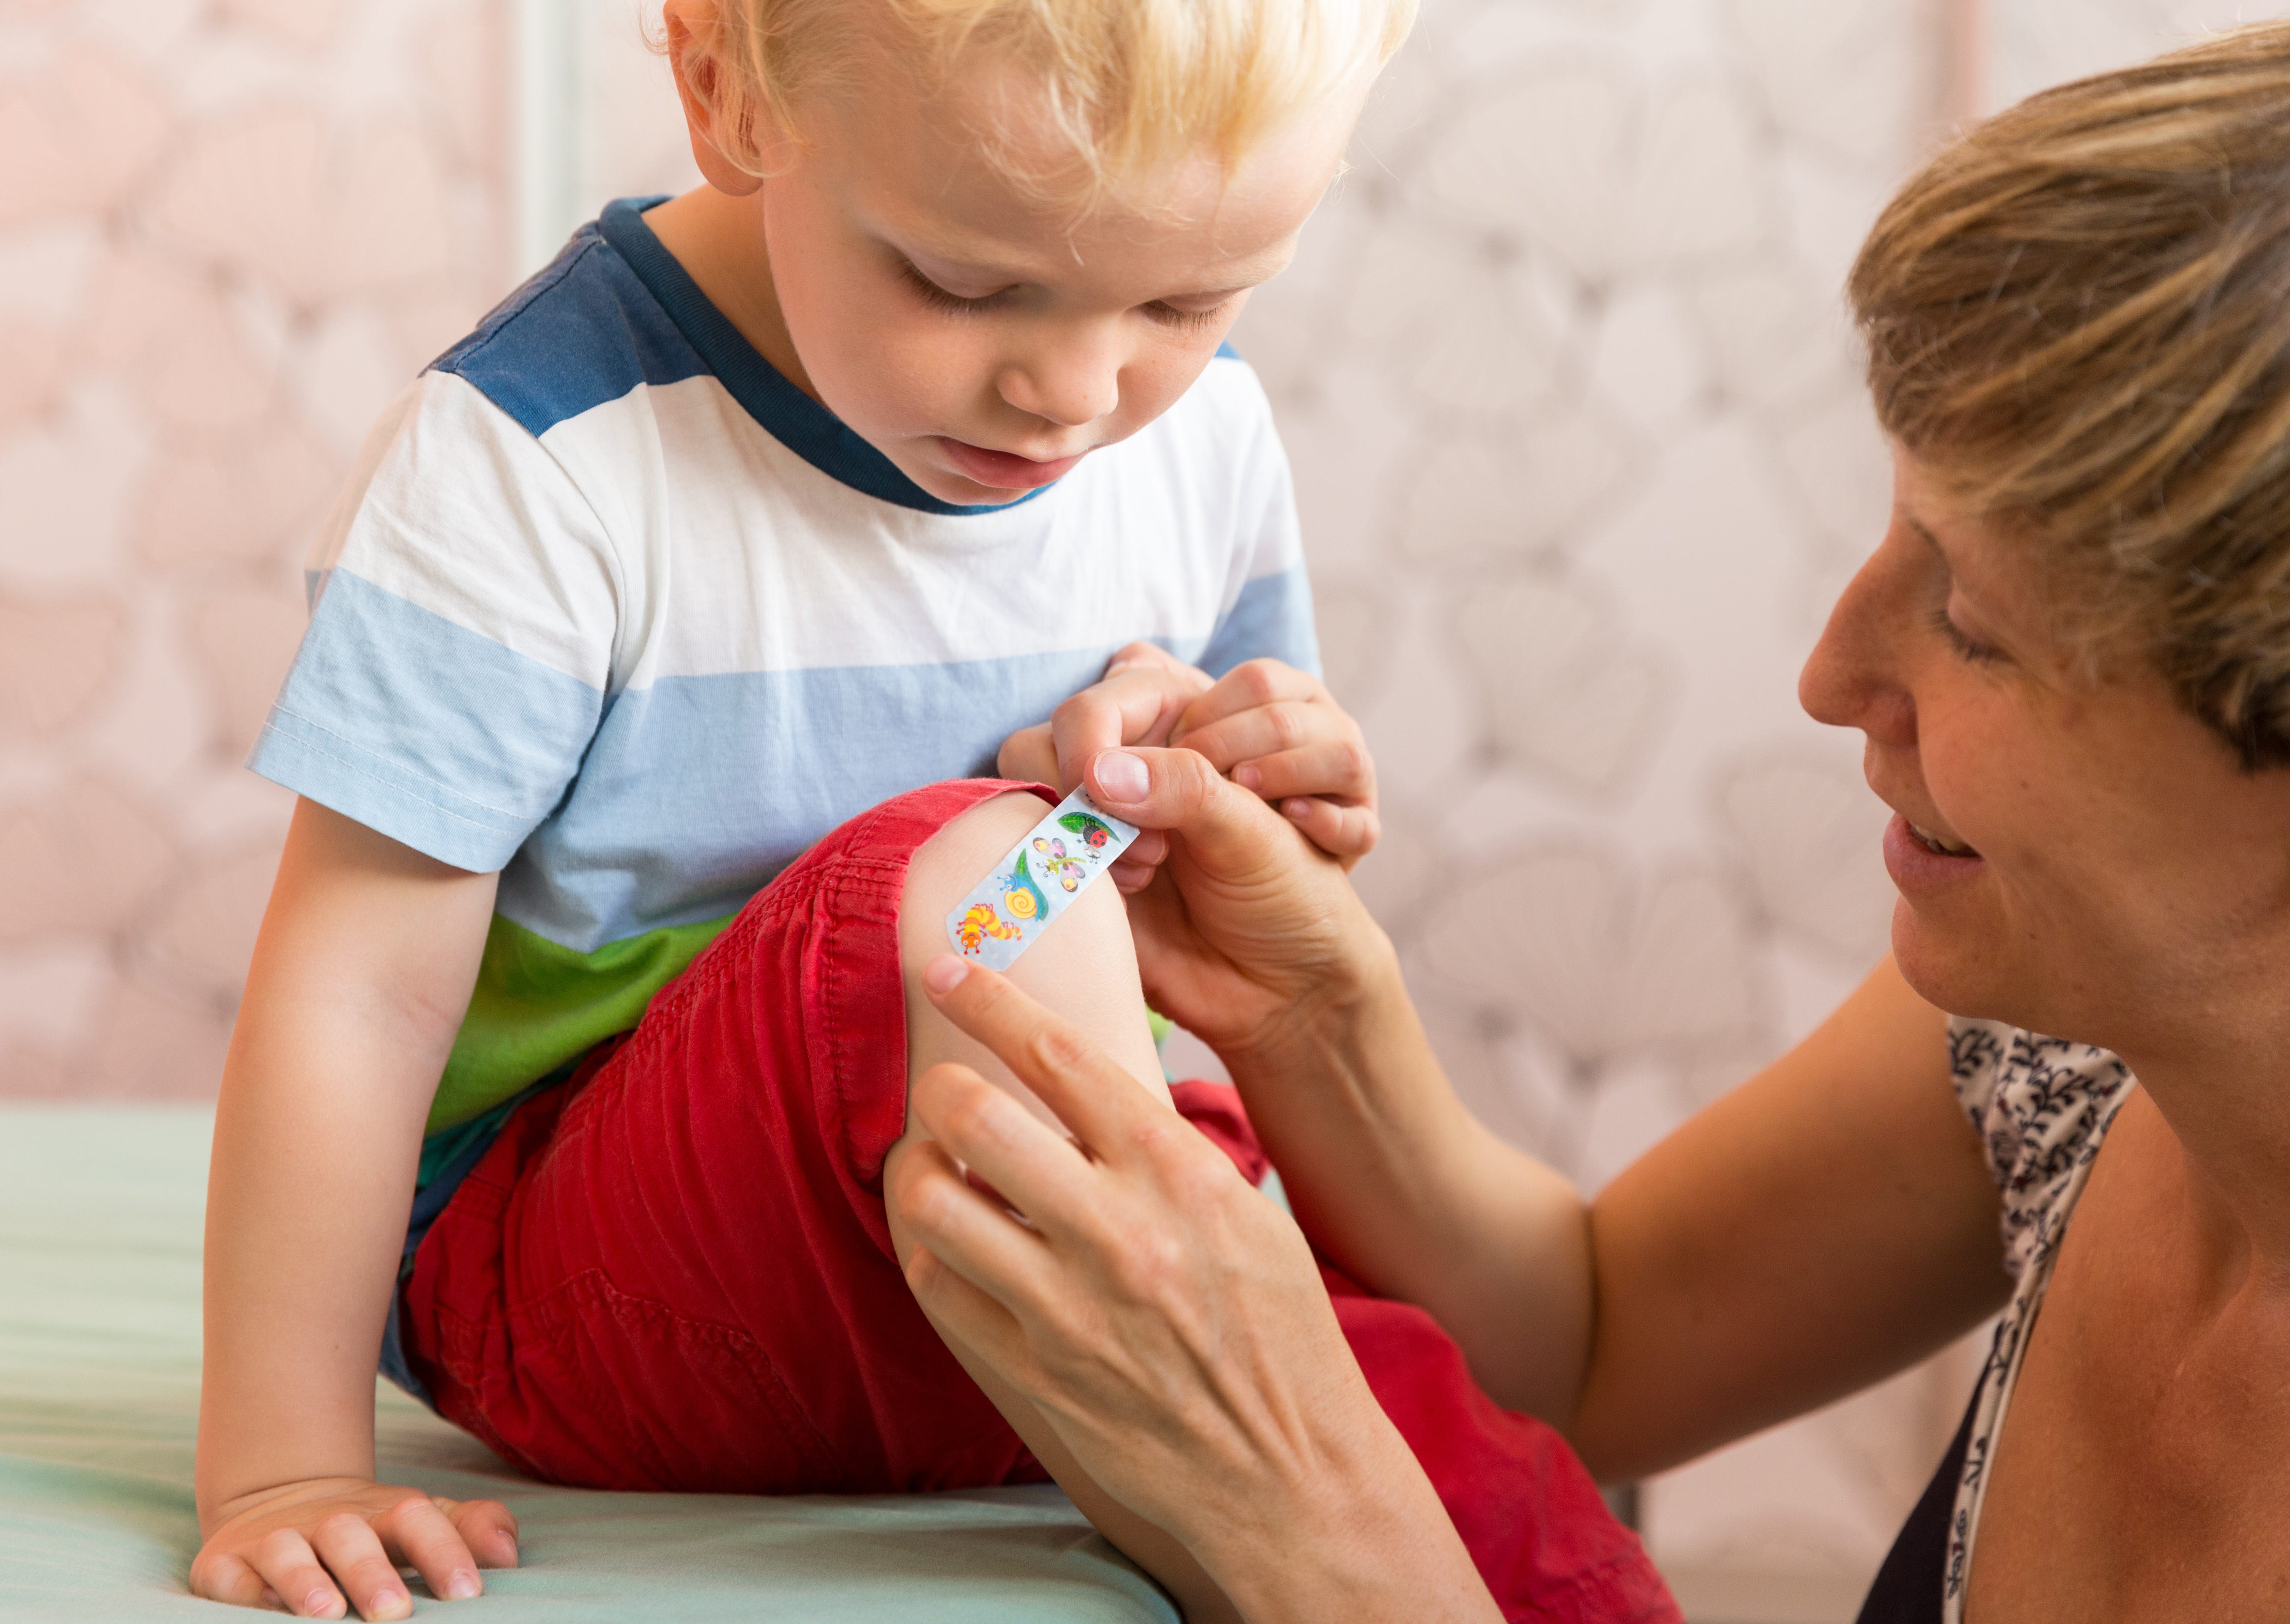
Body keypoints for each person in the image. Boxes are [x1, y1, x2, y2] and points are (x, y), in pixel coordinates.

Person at [189, 0, 1676, 1620]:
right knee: (986, 880)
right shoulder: (539, 460)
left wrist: (1217, 771)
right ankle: (1227, 1503)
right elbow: (358, 992)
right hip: (587, 1288)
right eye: (968, 285)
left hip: (1005, 1252)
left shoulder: (1200, 439)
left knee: (1506, 1515)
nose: (1073, 389)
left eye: (1187, 299)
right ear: (726, 92)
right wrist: (285, 1467)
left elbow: (1218, 918)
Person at [889, 22, 2290, 1623]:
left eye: (1970, 619)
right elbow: (1601, 1338)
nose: (1833, 677)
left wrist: (1316, 1516)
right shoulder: (2069, 1045)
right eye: (1895, 531)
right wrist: (1317, 1016)